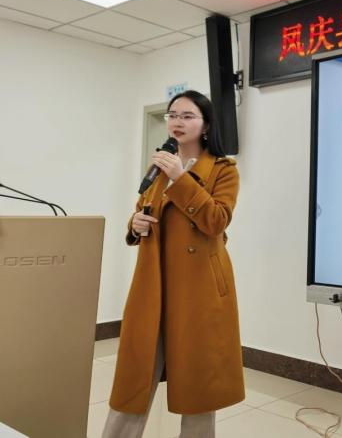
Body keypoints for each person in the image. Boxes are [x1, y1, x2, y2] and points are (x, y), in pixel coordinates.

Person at [103, 90, 245, 438]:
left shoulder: (223, 170)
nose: (177, 122)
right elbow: (142, 209)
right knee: (133, 377)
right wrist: (134, 224)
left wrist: (181, 177)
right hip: (153, 283)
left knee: (199, 385)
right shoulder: (159, 166)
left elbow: (216, 221)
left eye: (187, 116)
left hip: (199, 288)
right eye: (172, 115)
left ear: (206, 125)